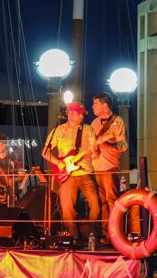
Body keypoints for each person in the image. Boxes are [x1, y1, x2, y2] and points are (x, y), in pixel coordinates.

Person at [41, 102, 101, 244]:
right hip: (67, 174)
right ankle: (74, 236)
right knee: (66, 206)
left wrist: (95, 150)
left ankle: (92, 234)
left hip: (86, 172)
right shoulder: (59, 130)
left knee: (95, 203)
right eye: (79, 113)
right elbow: (45, 152)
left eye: (82, 114)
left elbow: (95, 152)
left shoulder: (88, 129)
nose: (82, 116)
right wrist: (59, 163)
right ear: (70, 113)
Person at [90, 92, 128, 243]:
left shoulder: (117, 121)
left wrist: (106, 142)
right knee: (102, 202)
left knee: (112, 200)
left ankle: (115, 233)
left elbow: (123, 145)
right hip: (96, 167)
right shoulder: (94, 123)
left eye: (96, 104)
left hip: (109, 167)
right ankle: (107, 233)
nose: (93, 107)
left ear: (104, 105)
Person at [0, 133, 25, 205]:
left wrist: (12, 180)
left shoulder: (15, 159)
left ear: (7, 144)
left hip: (11, 191)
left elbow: (22, 177)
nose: (0, 146)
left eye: (2, 143)